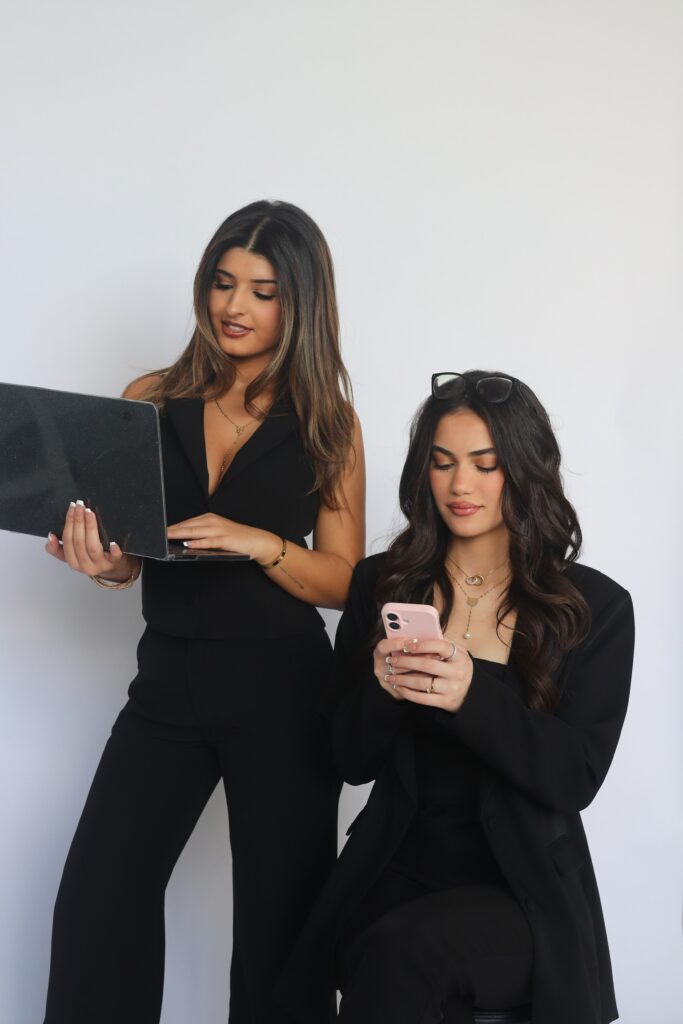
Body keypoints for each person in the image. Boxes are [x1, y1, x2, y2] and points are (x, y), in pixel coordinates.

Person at [42, 200, 365, 1024]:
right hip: (168, 682)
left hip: (286, 692)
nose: (234, 306)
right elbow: (127, 552)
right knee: (100, 897)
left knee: (278, 928)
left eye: (262, 291)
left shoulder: (327, 422)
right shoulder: (146, 400)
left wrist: (261, 544)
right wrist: (106, 566)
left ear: (300, 302)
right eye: (223, 283)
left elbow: (343, 580)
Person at [276, 370, 634, 1024]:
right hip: (396, 867)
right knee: (358, 952)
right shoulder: (380, 585)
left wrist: (470, 695)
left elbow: (574, 777)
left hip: (519, 890)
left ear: (523, 470)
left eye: (484, 465)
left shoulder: (594, 607)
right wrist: (382, 688)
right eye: (442, 463)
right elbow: (348, 760)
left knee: (404, 954)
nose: (459, 485)